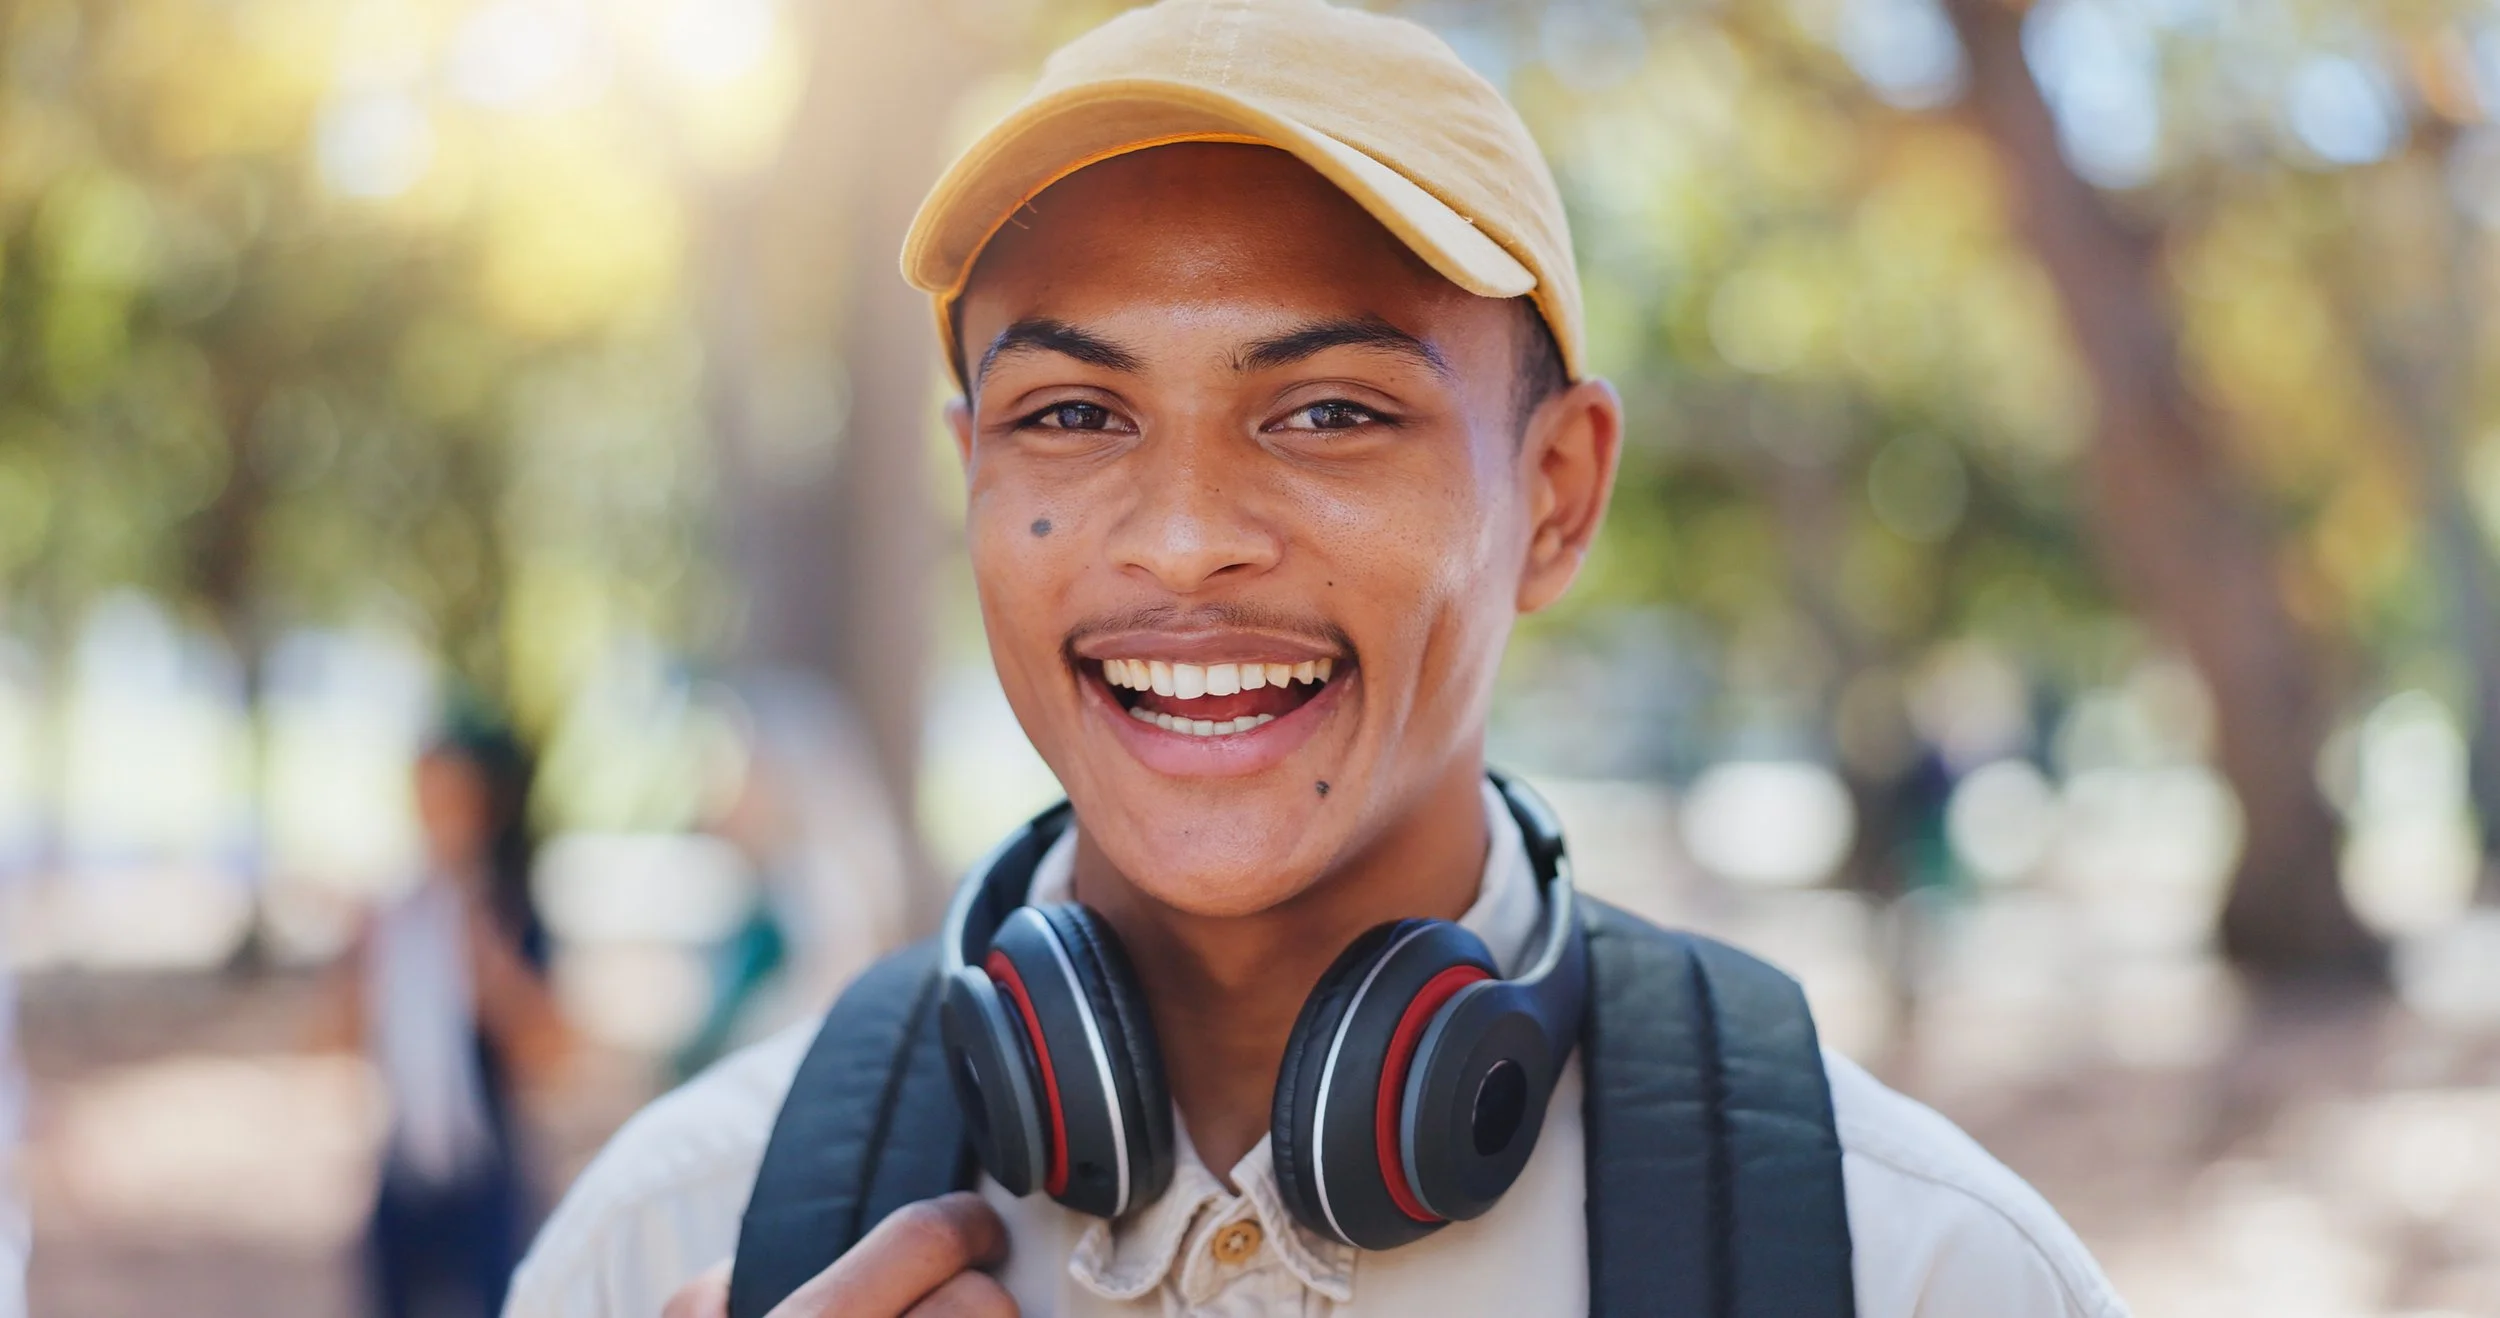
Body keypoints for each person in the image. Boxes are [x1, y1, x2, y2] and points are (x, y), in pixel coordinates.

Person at [507, 3, 2130, 1315]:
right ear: (973, 477)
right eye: (1073, 414)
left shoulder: (1918, 1268)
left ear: (1555, 496)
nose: (1184, 536)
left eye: (1331, 410)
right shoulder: (667, 1232)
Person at [327, 715, 571, 1318]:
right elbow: (332, 1038)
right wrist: (355, 966)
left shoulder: (510, 911)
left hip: (488, 1170)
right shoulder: (394, 913)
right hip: (403, 1168)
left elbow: (554, 1053)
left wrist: (490, 970)